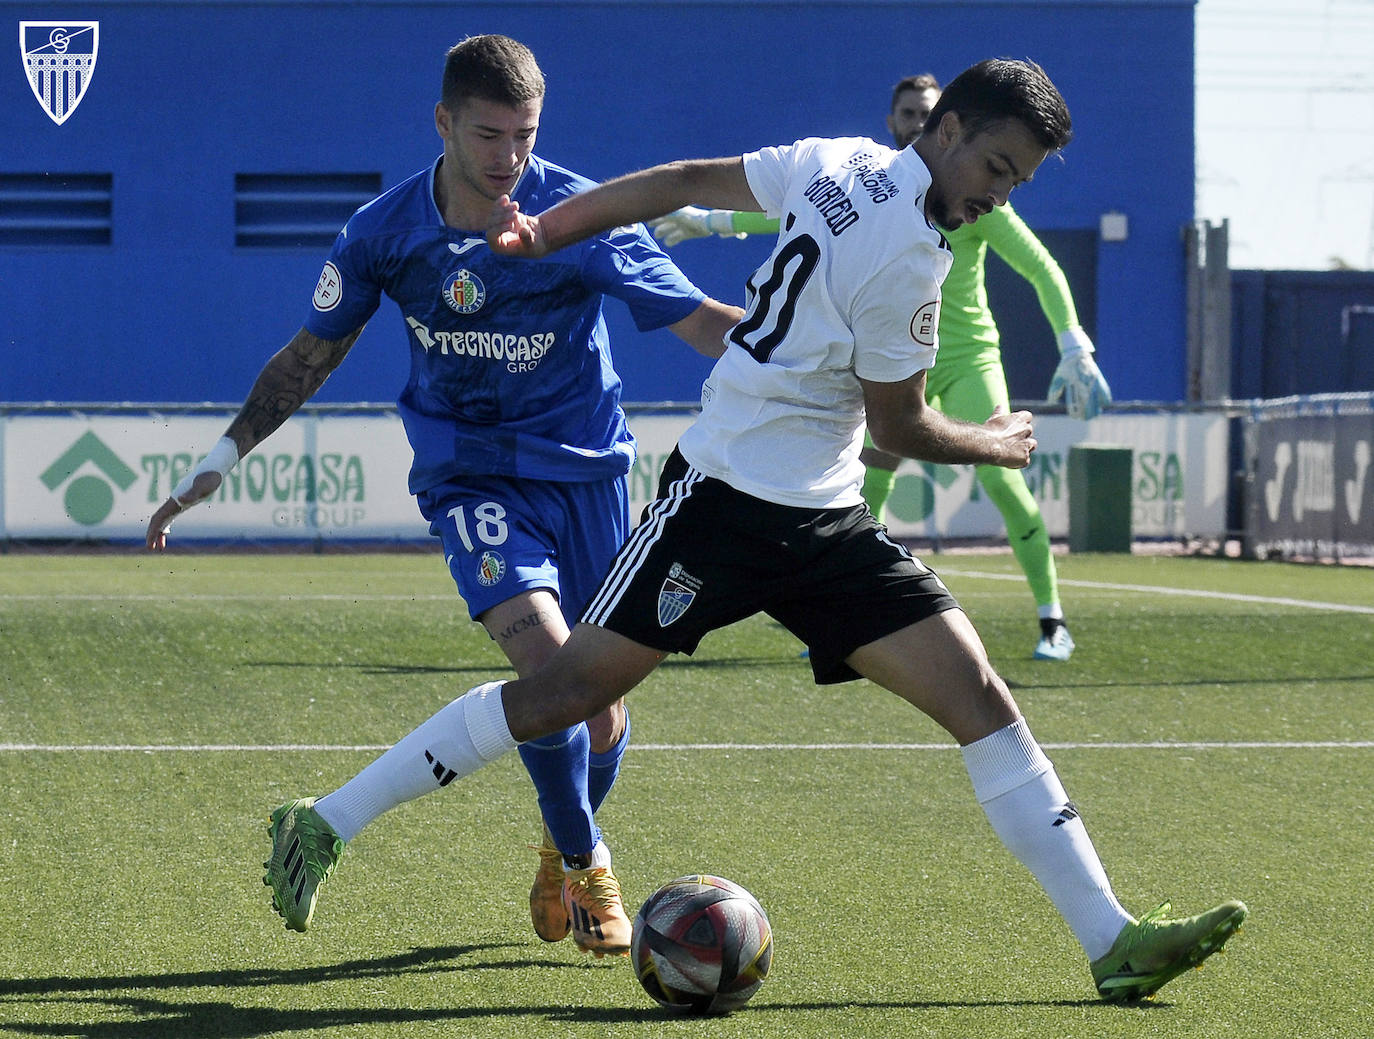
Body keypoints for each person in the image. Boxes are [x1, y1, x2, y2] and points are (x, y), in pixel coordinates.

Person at [260, 58, 1246, 1002]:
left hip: (825, 520)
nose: (1000, 195)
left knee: (981, 695)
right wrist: (993, 441)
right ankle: (326, 822)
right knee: (565, 694)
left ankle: (1110, 940)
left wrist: (545, 231)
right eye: (995, 169)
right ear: (947, 132)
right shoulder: (909, 256)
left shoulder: (837, 162)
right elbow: (899, 425)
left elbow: (685, 181)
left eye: (1018, 182)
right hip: (723, 503)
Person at [144, 34, 742, 957]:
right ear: (444, 123)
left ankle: (554, 849)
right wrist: (218, 460)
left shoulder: (578, 215)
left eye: (526, 136)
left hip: (588, 473)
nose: (510, 158)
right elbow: (310, 354)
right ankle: (589, 866)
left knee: (602, 707)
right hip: (469, 474)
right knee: (549, 665)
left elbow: (705, 323)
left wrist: (824, 360)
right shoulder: (385, 233)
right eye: (490, 135)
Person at [648, 71, 1112, 662]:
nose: (918, 121)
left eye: (927, 110)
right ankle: (844, 616)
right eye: (908, 114)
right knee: (868, 484)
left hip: (966, 360)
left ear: (950, 124)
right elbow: (782, 205)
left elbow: (1041, 267)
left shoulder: (977, 195)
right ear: (899, 124)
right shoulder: (865, 185)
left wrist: (1074, 343)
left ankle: (1052, 620)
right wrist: (709, 220)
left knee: (1001, 476)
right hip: (886, 367)